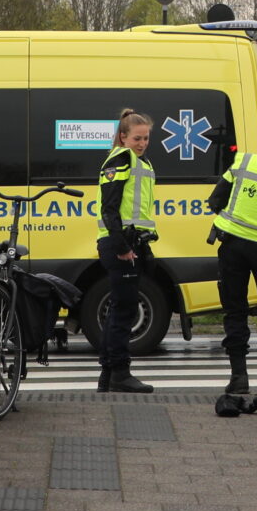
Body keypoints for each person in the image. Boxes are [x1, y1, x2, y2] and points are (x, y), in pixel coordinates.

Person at [205, 136, 257, 416]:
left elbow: (215, 200)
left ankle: (239, 376)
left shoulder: (244, 161)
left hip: (233, 246)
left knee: (234, 311)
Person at [94, 109, 158, 394]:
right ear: (123, 137)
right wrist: (122, 247)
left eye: (145, 138)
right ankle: (120, 373)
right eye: (137, 138)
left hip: (131, 242)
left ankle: (109, 375)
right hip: (120, 243)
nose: (142, 143)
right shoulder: (121, 158)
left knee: (120, 310)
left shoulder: (138, 160)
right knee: (124, 312)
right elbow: (110, 208)